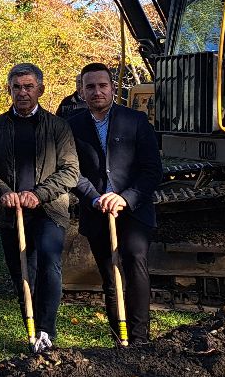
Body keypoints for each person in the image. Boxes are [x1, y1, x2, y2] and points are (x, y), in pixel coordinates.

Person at [0, 63, 79, 352]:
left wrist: (39, 194)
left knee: (50, 263)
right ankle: (32, 326)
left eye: (28, 87)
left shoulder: (58, 127)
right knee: (23, 272)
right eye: (17, 87)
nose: (22, 93)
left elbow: (70, 170)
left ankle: (46, 331)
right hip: (12, 212)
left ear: (40, 89)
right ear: (9, 90)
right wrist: (2, 191)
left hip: (49, 210)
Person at [68, 62, 162, 345]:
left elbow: (152, 170)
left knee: (135, 263)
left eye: (102, 85)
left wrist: (125, 197)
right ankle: (119, 337)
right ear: (82, 92)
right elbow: (71, 171)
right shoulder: (72, 126)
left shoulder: (136, 121)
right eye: (90, 87)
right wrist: (95, 198)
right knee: (109, 275)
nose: (97, 91)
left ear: (112, 88)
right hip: (97, 210)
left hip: (133, 209)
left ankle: (139, 338)